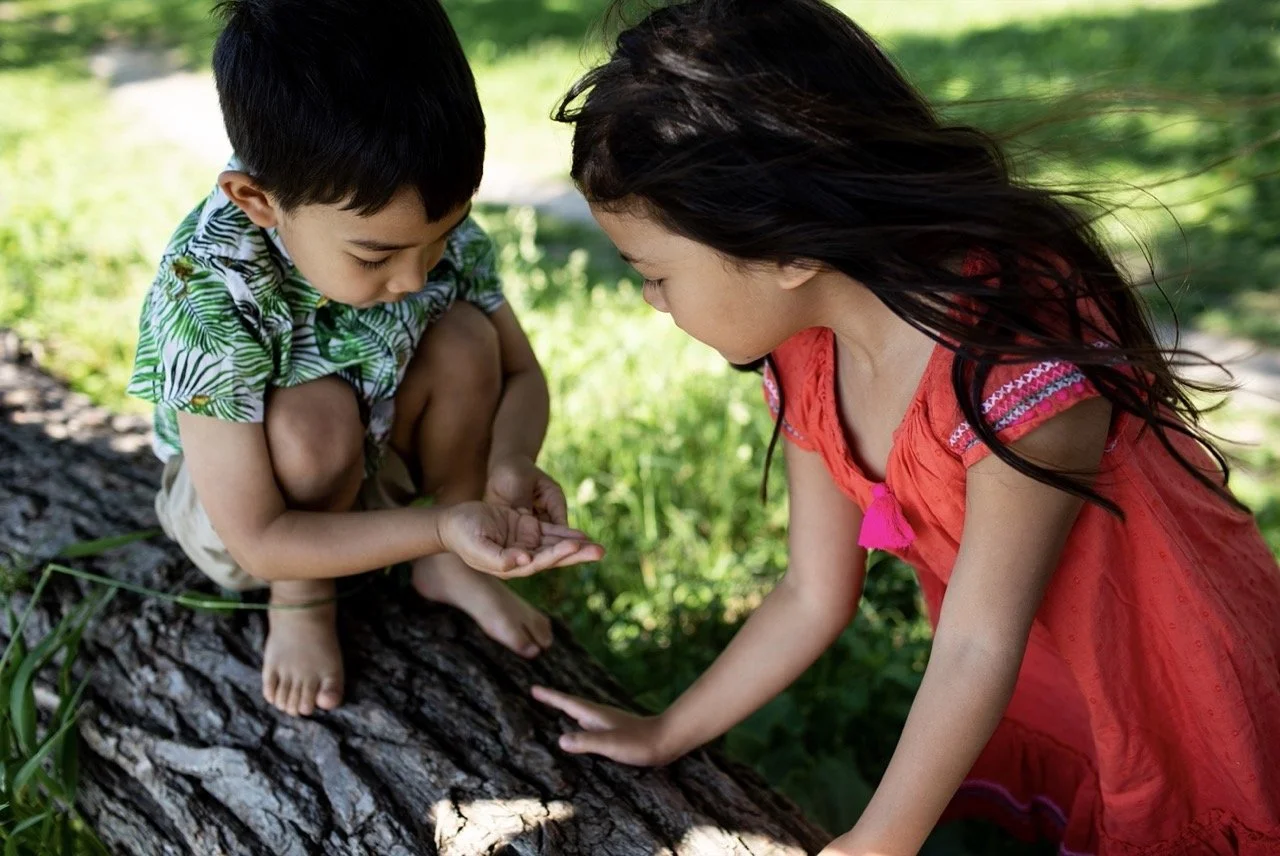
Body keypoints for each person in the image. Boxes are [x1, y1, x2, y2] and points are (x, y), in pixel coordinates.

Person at [530, 1, 1280, 853]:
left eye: (655, 273)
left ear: (787, 250)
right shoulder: (808, 352)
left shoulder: (1006, 371)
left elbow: (973, 644)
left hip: (1174, 678)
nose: (648, 298)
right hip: (1046, 667)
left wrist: (876, 840)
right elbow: (814, 594)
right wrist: (668, 732)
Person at [127, 0, 602, 719]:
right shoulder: (210, 288)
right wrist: (437, 524)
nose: (415, 276)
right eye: (376, 254)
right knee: (309, 418)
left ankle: (445, 562)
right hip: (246, 511)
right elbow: (254, 537)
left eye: (443, 235)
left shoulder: (419, 224)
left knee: (467, 337)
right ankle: (305, 602)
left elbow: (517, 374)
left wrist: (506, 466)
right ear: (257, 200)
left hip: (377, 452)